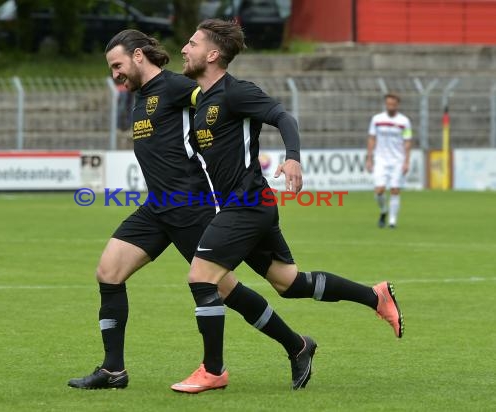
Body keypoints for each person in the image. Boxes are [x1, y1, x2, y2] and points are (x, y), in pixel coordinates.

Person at [68, 29, 314, 391]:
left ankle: (296, 345)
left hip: (191, 206)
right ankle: (112, 370)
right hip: (157, 207)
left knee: (225, 289)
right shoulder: (138, 97)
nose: (115, 74)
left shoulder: (178, 87)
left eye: (117, 65)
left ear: (138, 57)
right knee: (108, 272)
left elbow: (222, 103)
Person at [172, 19, 405, 394]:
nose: (184, 49)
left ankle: (212, 370)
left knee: (202, 277)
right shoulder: (200, 101)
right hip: (246, 205)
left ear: (213, 54)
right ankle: (369, 298)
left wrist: (292, 157)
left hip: (247, 204)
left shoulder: (235, 92)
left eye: (192, 43)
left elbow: (283, 117)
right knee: (288, 283)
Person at [365, 93, 413, 228]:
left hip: (398, 160)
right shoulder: (377, 119)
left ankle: (392, 221)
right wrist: (369, 158)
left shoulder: (404, 121)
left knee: (395, 189)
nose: (390, 106)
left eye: (393, 104)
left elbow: (407, 141)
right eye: (388, 104)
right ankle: (383, 210)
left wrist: (407, 161)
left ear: (397, 105)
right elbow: (372, 138)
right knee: (379, 190)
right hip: (380, 159)